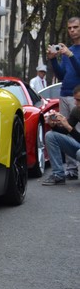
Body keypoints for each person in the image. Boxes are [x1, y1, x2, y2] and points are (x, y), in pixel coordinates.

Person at [47, 16, 80, 180]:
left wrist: (71, 55)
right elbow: (61, 75)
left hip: (78, 97)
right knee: (65, 128)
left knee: (76, 130)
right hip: (64, 93)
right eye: (69, 28)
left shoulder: (71, 52)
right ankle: (71, 169)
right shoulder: (67, 52)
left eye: (75, 27)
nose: (72, 30)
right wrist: (53, 60)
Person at [42, 85, 80, 185]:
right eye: (75, 99)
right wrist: (53, 125)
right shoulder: (77, 110)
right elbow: (65, 131)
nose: (76, 103)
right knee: (50, 135)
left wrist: (68, 127)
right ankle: (58, 175)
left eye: (78, 100)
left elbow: (69, 129)